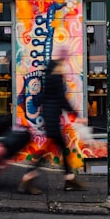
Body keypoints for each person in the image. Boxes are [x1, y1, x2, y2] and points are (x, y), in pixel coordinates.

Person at [18, 48, 86, 194]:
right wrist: (76, 115)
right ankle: (28, 179)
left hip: (51, 117)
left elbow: (50, 98)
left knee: (58, 148)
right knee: (46, 152)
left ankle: (69, 179)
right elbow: (61, 99)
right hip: (52, 119)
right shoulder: (55, 75)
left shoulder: (51, 71)